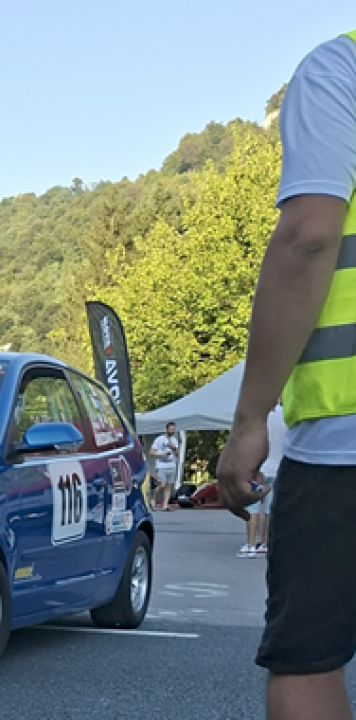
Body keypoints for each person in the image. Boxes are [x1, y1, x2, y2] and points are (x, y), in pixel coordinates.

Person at [216, 30, 356, 720]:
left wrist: (249, 421)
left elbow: (308, 235)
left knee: (308, 662)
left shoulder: (342, 68)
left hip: (344, 446)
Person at [238, 401, 286, 559]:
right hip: (277, 466)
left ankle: (250, 544)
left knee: (252, 508)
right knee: (268, 509)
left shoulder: (260, 416)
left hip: (259, 468)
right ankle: (264, 544)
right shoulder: (285, 415)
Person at [149, 422, 180, 511]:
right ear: (166, 429)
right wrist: (161, 455)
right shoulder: (159, 439)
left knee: (169, 486)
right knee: (162, 484)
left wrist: (173, 448)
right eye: (170, 429)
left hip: (171, 465)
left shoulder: (174, 440)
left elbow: (177, 454)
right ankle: (153, 499)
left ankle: (165, 505)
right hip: (161, 465)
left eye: (173, 430)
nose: (172, 431)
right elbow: (151, 452)